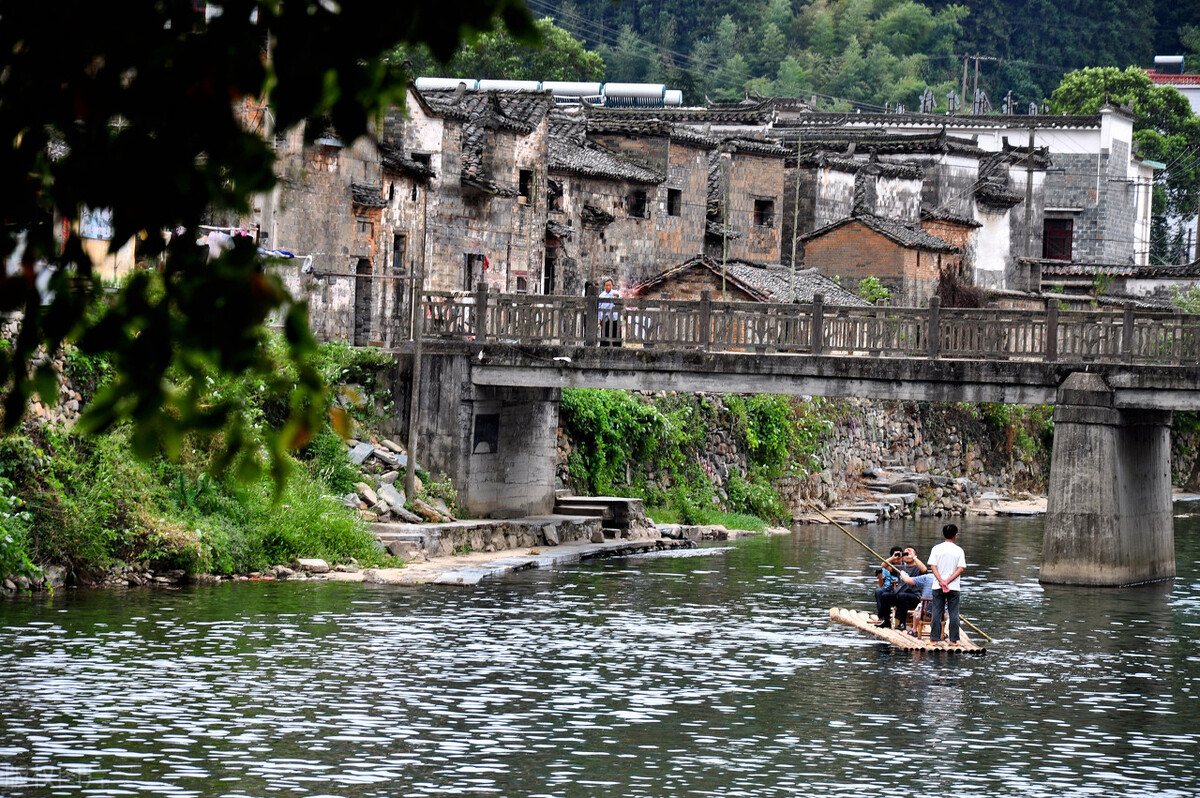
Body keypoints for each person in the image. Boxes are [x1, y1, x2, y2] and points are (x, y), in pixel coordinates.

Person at [928, 523, 967, 644]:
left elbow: (933, 566)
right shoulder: (959, 550)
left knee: (936, 612)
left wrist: (941, 581)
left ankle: (934, 639)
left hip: (938, 585)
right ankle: (953, 640)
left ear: (943, 534)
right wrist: (948, 581)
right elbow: (960, 569)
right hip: (953, 586)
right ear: (956, 535)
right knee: (954, 613)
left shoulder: (936, 548)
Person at [871, 547, 904, 628]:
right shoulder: (887, 567)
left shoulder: (905, 567)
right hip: (888, 588)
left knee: (887, 595)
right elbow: (881, 585)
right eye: (895, 557)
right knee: (879, 591)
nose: (897, 560)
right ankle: (882, 617)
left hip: (900, 589)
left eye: (899, 557)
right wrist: (880, 578)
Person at [598, 278, 621, 347]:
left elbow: (621, 299)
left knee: (616, 334)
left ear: (612, 286)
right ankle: (604, 349)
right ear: (604, 286)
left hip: (615, 317)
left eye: (609, 285)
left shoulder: (616, 293)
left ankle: (617, 349)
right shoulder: (601, 295)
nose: (608, 287)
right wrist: (601, 318)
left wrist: (617, 296)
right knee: (605, 335)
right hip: (606, 317)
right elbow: (599, 308)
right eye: (606, 285)